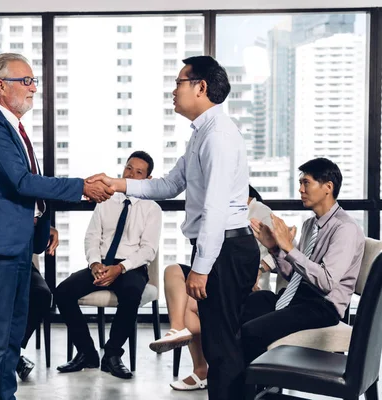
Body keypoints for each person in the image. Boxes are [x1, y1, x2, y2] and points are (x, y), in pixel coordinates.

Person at [87, 55, 260, 399]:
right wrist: (117, 184)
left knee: (222, 346)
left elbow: (215, 209)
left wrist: (201, 267)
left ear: (201, 87)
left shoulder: (219, 137)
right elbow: (167, 185)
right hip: (219, 247)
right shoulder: (201, 135)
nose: (173, 90)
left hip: (227, 248)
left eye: (179, 82)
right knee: (217, 342)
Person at [0, 52, 113, 400]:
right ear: (1, 86)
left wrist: (42, 221)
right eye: (26, 81)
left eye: (34, 81)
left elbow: (25, 188)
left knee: (13, 333)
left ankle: (6, 396)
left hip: (16, 244)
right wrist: (81, 187)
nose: (34, 88)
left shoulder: (12, 127)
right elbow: (21, 181)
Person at [243, 158, 364, 392]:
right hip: (298, 297)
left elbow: (327, 282)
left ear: (327, 187)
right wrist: (276, 248)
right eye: (300, 183)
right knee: (246, 305)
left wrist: (289, 248)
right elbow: (294, 274)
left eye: (306, 183)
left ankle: (255, 389)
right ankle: (246, 385)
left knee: (252, 331)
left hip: (323, 306)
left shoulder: (344, 228)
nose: (300, 189)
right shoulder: (310, 224)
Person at [148, 185, 277, 391]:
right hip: (212, 274)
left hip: (242, 280)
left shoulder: (260, 211)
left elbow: (286, 248)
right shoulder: (216, 212)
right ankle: (178, 328)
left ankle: (202, 369)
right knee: (173, 271)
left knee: (192, 304)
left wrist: (260, 268)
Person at [55, 151, 161, 380]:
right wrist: (95, 264)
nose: (131, 174)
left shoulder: (152, 208)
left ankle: (112, 355)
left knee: (132, 293)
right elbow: (92, 237)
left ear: (148, 179)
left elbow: (148, 250)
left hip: (131, 267)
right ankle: (86, 352)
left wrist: (120, 268)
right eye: (129, 168)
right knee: (63, 291)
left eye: (139, 172)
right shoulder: (106, 201)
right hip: (102, 264)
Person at [0, 204, 57, 381]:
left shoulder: (37, 201)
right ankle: (4, 356)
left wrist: (45, 224)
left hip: (24, 266)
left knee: (42, 294)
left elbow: (37, 246)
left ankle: (10, 352)